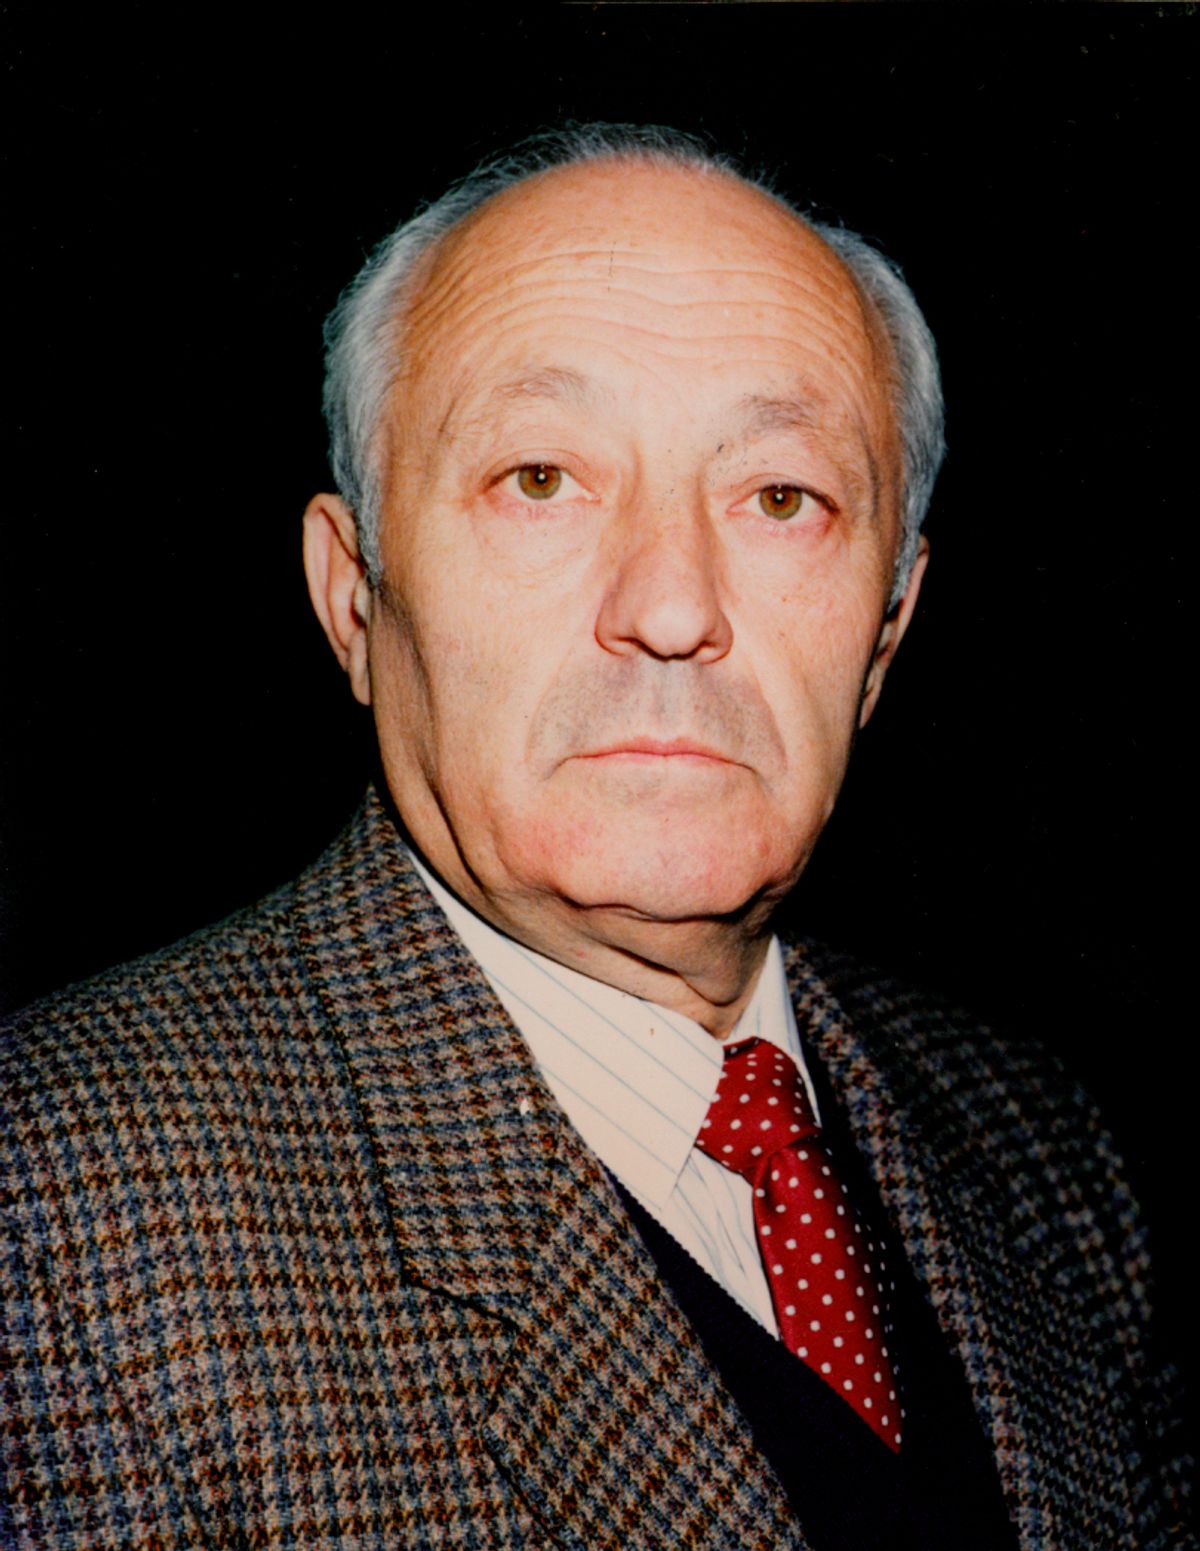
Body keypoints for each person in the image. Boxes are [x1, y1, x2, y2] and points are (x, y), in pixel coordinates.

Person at [1, 124, 1191, 1550]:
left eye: (781, 497)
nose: (673, 607)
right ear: (354, 597)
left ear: (886, 630)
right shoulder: (56, 1215)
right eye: (542, 479)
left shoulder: (1042, 1151)